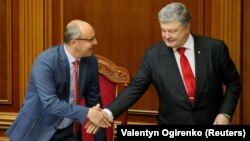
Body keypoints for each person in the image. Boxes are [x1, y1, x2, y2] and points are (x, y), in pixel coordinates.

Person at [86, 2, 241, 132]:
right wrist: (107, 113)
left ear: (187, 27)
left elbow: (234, 82)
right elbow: (135, 88)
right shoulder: (153, 55)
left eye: (172, 31)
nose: (166, 36)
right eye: (163, 30)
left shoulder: (215, 48)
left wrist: (224, 114)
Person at [5, 19, 112, 141]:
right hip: (38, 130)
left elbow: (95, 103)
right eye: (91, 39)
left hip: (69, 131)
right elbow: (50, 103)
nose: (96, 42)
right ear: (74, 42)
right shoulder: (46, 62)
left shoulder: (91, 61)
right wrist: (88, 113)